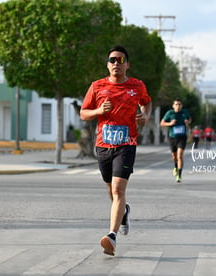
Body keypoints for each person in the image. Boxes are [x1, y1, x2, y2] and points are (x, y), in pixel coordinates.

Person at [80, 46, 152, 256]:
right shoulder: (97, 86)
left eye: (121, 61)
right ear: (108, 64)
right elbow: (84, 113)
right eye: (112, 60)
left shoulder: (136, 86)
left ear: (127, 65)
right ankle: (124, 213)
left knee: (118, 190)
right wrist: (99, 111)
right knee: (111, 191)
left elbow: (147, 103)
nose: (116, 64)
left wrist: (145, 116)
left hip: (126, 144)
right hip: (103, 145)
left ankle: (112, 235)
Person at [160, 99, 191, 183]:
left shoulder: (185, 113)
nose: (178, 106)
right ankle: (176, 167)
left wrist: (187, 122)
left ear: (182, 105)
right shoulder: (170, 113)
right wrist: (170, 124)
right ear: (173, 106)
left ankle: (179, 175)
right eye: (176, 104)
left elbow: (189, 120)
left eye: (179, 104)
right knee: (174, 156)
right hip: (172, 137)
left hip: (182, 137)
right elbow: (162, 123)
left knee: (179, 155)